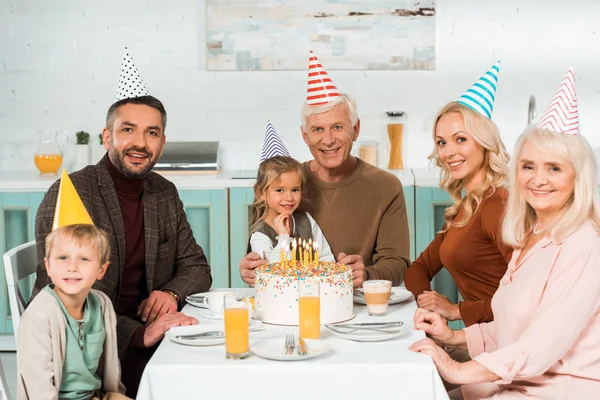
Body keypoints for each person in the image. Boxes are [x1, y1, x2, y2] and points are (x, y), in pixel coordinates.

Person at [410, 67, 600, 399]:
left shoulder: (583, 244)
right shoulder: (534, 235)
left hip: (556, 390)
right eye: (528, 166)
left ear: (577, 176)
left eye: (554, 167)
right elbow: (514, 325)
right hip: (514, 380)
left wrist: (456, 366)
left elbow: (541, 344)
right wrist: (453, 337)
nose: (537, 179)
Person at [32, 91, 208, 397]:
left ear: (162, 143)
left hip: (156, 335)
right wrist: (139, 334)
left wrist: (171, 292)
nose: (140, 143)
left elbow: (197, 266)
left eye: (151, 133)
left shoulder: (164, 193)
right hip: (91, 351)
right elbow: (67, 298)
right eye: (128, 130)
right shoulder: (71, 193)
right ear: (106, 137)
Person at [240, 50, 411, 287]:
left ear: (356, 129)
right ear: (304, 135)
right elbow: (261, 248)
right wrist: (250, 268)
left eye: (338, 127)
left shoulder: (386, 186)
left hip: (355, 302)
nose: (328, 140)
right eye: (318, 129)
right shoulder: (283, 182)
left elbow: (397, 263)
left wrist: (367, 275)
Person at [404, 62, 513, 327]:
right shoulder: (465, 209)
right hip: (480, 338)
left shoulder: (497, 205)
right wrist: (426, 299)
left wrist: (456, 311)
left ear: (485, 143)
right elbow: (417, 269)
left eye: (461, 139)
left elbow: (527, 297)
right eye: (442, 142)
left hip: (508, 343)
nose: (448, 152)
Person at [18, 170, 129, 400]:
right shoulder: (40, 315)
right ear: (48, 266)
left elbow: (110, 369)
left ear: (101, 270)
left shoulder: (101, 304)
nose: (73, 267)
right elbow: (38, 388)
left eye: (84, 259)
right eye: (63, 258)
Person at [249, 124, 335, 261]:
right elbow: (274, 272)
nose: (289, 197)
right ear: (261, 192)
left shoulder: (305, 220)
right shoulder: (260, 235)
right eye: (279, 190)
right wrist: (283, 237)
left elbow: (326, 257)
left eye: (295, 189)